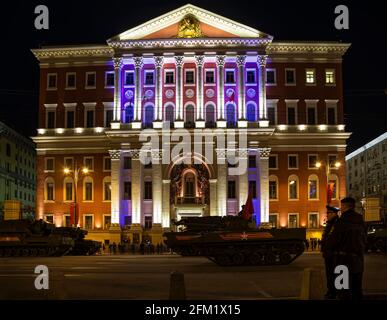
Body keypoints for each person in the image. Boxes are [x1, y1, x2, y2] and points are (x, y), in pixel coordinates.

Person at [326, 197, 367, 300]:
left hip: (343, 261)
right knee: (357, 290)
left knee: (342, 291)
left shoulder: (341, 221)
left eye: (342, 205)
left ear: (344, 206)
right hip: (358, 260)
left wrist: (329, 252)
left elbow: (333, 241)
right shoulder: (360, 219)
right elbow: (365, 239)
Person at [321, 205, 340, 299]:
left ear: (334, 214)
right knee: (329, 274)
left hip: (334, 254)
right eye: (327, 213)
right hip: (328, 254)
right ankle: (331, 291)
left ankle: (335, 292)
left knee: (335, 274)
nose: (327, 215)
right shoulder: (330, 223)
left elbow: (333, 239)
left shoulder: (336, 224)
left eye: (329, 213)